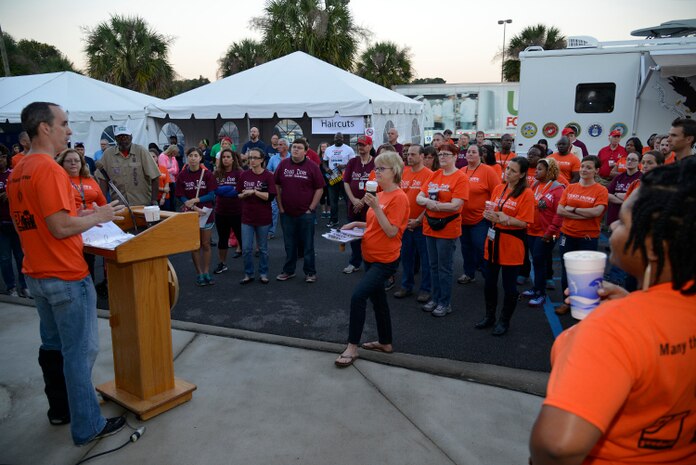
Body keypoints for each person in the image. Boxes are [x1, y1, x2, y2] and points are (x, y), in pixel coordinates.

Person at [530, 159, 696, 465]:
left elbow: (557, 446)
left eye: (624, 220)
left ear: (650, 246)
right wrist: (633, 301)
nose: (614, 226)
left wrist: (592, 332)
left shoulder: (614, 327)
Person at [7, 101, 125, 445]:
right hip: (66, 275)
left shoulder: (19, 170)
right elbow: (60, 226)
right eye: (64, 123)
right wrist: (98, 216)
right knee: (79, 353)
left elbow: (33, 223)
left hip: (36, 273)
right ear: (45, 128)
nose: (69, 130)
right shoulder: (49, 169)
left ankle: (61, 409)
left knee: (53, 348)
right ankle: (88, 426)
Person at [334, 151, 409, 368]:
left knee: (358, 297)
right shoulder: (382, 194)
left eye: (380, 169)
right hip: (370, 256)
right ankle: (386, 343)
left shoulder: (399, 197)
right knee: (379, 302)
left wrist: (375, 207)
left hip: (385, 260)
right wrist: (356, 225)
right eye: (375, 169)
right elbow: (375, 226)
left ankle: (352, 346)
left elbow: (392, 231)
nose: (375, 173)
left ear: (394, 171)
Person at [477, 157, 535, 335]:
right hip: (493, 240)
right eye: (507, 168)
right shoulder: (498, 188)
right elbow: (493, 211)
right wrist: (490, 215)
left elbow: (525, 223)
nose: (507, 172)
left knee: (509, 286)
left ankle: (504, 320)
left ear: (522, 174)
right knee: (489, 283)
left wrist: (505, 218)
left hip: (512, 243)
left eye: (513, 170)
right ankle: (489, 316)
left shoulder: (526, 193)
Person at [416, 143, 469, 317]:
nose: (443, 157)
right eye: (441, 154)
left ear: (455, 157)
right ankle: (436, 298)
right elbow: (419, 197)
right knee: (432, 265)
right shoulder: (435, 175)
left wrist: (434, 205)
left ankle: (445, 303)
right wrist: (430, 203)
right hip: (430, 225)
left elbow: (456, 205)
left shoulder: (460, 177)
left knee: (444, 267)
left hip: (447, 227)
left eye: (447, 154)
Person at [555, 155, 608, 315]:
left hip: (588, 238)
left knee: (586, 273)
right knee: (566, 271)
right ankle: (567, 302)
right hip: (567, 235)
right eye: (583, 166)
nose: (584, 170)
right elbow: (560, 210)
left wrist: (573, 210)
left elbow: (597, 212)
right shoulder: (570, 188)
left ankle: (584, 305)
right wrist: (584, 214)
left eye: (589, 167)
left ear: (596, 171)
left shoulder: (601, 190)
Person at [275, 138, 324, 283]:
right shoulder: (283, 164)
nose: (295, 149)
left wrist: (311, 208)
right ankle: (288, 271)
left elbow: (319, 188)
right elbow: (277, 185)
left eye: (299, 148)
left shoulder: (312, 166)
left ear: (305, 151)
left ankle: (310, 272)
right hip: (287, 213)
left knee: (308, 245)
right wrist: (281, 207)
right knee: (289, 244)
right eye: (294, 147)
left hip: (306, 213)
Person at [56, 147, 108, 281]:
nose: (74, 163)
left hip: (94, 226)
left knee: (91, 261)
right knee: (80, 261)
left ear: (82, 163)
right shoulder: (58, 181)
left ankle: (96, 286)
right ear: (61, 164)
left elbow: (102, 202)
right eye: (69, 161)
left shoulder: (90, 179)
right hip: (73, 225)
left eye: (77, 161)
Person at [521, 158, 564, 307]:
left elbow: (559, 214)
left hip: (548, 233)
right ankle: (536, 288)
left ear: (549, 171)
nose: (536, 171)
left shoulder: (558, 188)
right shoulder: (535, 185)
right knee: (537, 260)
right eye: (537, 168)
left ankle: (541, 292)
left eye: (540, 169)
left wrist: (551, 231)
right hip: (532, 230)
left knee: (539, 260)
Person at [458, 144, 501, 285]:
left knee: (480, 247)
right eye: (468, 152)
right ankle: (469, 273)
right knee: (466, 247)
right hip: (462, 219)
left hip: (480, 219)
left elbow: (498, 192)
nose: (470, 154)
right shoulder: (461, 171)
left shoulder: (488, 171)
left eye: (473, 152)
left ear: (480, 155)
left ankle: (487, 274)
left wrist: (492, 210)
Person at [394, 144, 433, 302]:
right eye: (408, 154)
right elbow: (398, 195)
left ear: (422, 156)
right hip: (405, 224)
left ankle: (425, 289)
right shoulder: (404, 172)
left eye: (413, 154)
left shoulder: (430, 175)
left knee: (425, 259)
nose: (409, 157)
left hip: (421, 224)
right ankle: (406, 286)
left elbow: (431, 201)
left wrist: (418, 220)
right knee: (406, 257)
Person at [176, 148, 218, 287]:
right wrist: (193, 206)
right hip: (191, 213)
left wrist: (196, 200)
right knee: (195, 246)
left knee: (205, 244)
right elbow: (180, 195)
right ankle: (199, 273)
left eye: (196, 156)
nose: (193, 158)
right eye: (190, 156)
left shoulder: (208, 174)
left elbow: (212, 195)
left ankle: (206, 272)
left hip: (206, 213)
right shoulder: (182, 175)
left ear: (200, 158)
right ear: (187, 158)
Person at [95, 126, 160, 206]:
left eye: (126, 136)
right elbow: (102, 180)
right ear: (115, 138)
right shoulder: (108, 154)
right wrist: (103, 203)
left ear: (131, 137)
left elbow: (155, 177)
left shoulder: (141, 151)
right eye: (120, 137)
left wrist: (154, 200)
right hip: (119, 205)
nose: (123, 139)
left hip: (142, 204)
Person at [238, 148, 275, 283]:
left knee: (263, 249)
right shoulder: (244, 175)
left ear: (262, 160)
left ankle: (263, 273)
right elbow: (239, 194)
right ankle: (249, 274)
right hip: (247, 217)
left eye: (254, 158)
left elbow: (269, 197)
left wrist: (253, 191)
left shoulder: (268, 176)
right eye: (250, 158)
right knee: (246, 249)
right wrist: (244, 194)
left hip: (263, 217)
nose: (251, 160)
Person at [342, 135, 375, 274]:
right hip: (353, 206)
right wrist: (354, 199)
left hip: (370, 206)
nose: (360, 148)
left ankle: (372, 263)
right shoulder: (352, 162)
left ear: (370, 146)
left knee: (371, 236)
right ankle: (354, 262)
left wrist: (362, 201)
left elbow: (378, 185)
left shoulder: (375, 163)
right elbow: (346, 182)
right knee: (354, 236)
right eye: (359, 145)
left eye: (363, 145)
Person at [0, 152, 29, 297]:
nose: (1, 159)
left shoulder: (14, 174)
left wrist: (10, 193)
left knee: (21, 256)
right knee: (5, 259)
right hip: (1, 225)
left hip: (17, 221)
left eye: (3, 156)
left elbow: (25, 191)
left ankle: (24, 286)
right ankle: (11, 287)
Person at [213, 149, 244, 275]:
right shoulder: (216, 173)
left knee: (242, 239)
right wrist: (230, 189)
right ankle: (222, 263)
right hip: (221, 212)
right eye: (223, 157)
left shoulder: (240, 173)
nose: (225, 159)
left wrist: (226, 190)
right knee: (222, 239)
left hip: (237, 211)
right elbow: (215, 190)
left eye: (228, 157)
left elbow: (240, 190)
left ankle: (248, 265)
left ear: (233, 159)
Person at [323, 132, 355, 228]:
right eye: (336, 138)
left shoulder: (349, 149)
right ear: (334, 138)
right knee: (333, 201)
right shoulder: (329, 149)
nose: (338, 139)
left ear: (343, 139)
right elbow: (324, 162)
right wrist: (326, 169)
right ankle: (334, 220)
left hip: (345, 178)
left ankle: (350, 220)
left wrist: (344, 166)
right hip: (333, 177)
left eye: (340, 138)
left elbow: (353, 163)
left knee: (347, 200)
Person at [607, 151, 642, 225]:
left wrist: (616, 194)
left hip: (630, 218)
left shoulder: (641, 178)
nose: (629, 161)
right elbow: (607, 195)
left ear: (639, 163)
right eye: (628, 159)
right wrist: (626, 201)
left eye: (633, 160)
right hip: (614, 216)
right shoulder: (618, 177)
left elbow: (636, 198)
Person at [266, 138, 290, 239]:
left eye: (281, 145)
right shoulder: (273, 158)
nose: (278, 147)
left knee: (289, 210)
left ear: (286, 147)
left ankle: (290, 231)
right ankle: (271, 231)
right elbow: (267, 171)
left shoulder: (292, 157)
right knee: (274, 210)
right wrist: (276, 174)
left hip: (289, 189)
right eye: (278, 145)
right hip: (276, 187)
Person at [158, 144, 180, 212]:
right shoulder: (162, 156)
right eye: (174, 153)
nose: (175, 155)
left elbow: (176, 170)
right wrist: (172, 169)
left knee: (173, 198)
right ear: (171, 151)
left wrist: (170, 170)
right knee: (168, 199)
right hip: (165, 181)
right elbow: (163, 170)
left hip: (173, 180)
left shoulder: (173, 157)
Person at [317, 142, 330, 218]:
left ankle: (328, 211)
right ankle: (323, 211)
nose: (323, 148)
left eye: (325, 147)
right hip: (320, 178)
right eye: (322, 147)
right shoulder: (317, 156)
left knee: (329, 195)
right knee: (322, 195)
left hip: (329, 178)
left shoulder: (330, 156)